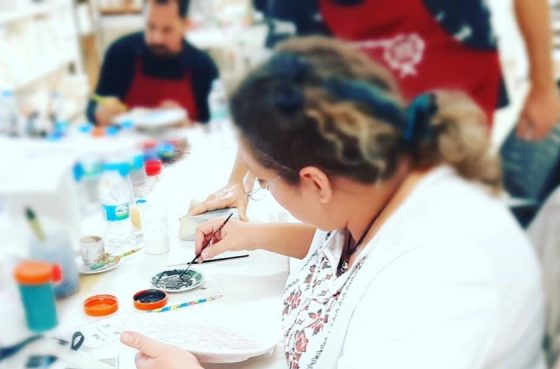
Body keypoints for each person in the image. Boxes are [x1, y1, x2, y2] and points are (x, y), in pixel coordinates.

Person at [120, 37, 544, 369]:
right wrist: (250, 234)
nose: (261, 191)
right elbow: (346, 246)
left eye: (263, 183)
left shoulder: (440, 268)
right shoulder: (375, 179)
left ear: (315, 182)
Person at [192, 0, 559, 219]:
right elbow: (278, 83)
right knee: (380, 210)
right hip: (371, 87)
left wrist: (543, 87)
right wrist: (240, 178)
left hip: (451, 60)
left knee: (443, 203)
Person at [86, 0, 219, 126]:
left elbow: (215, 126)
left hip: (182, 142)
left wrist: (189, 125)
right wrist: (98, 112)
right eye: (151, 27)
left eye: (167, 30)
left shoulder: (203, 67)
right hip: (128, 141)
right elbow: (93, 104)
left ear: (185, 25)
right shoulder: (121, 53)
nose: (157, 38)